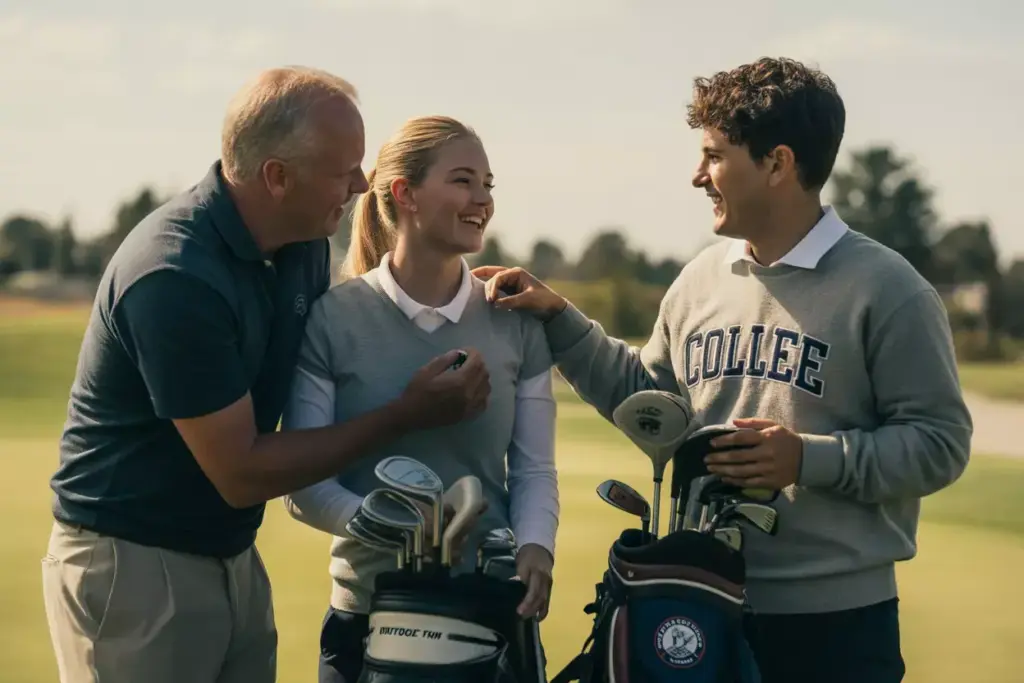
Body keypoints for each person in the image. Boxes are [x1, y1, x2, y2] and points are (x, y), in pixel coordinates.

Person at [473, 57, 973, 683]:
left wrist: (806, 459)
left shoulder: (889, 289)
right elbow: (652, 407)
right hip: (696, 607)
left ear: (777, 164)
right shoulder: (701, 280)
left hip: (837, 627)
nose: (696, 176)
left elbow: (940, 444)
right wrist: (559, 318)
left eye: (713, 156)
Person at [42, 68, 491, 683]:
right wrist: (404, 416)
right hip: (134, 566)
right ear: (277, 177)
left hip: (230, 557)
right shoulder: (174, 275)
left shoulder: (301, 244)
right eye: (343, 171)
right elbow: (242, 471)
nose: (362, 185)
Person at [280, 114, 560, 683]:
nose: (482, 199)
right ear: (405, 194)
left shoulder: (515, 319)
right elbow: (302, 485)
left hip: (490, 611)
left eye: (488, 184)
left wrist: (537, 547)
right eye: (462, 181)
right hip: (366, 617)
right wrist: (381, 526)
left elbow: (533, 468)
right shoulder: (334, 318)